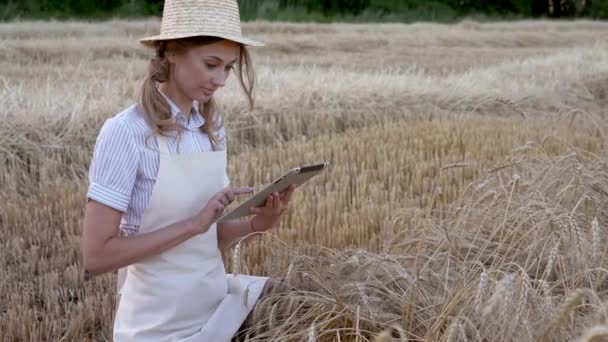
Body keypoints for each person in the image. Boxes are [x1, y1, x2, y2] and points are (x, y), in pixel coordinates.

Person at [81, 0, 297, 340]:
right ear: (172, 53)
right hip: (157, 326)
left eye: (229, 67)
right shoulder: (126, 132)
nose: (221, 80)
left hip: (213, 306)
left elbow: (205, 240)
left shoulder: (210, 127)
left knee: (305, 296)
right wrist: (192, 224)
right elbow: (96, 257)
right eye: (211, 64)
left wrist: (257, 223)